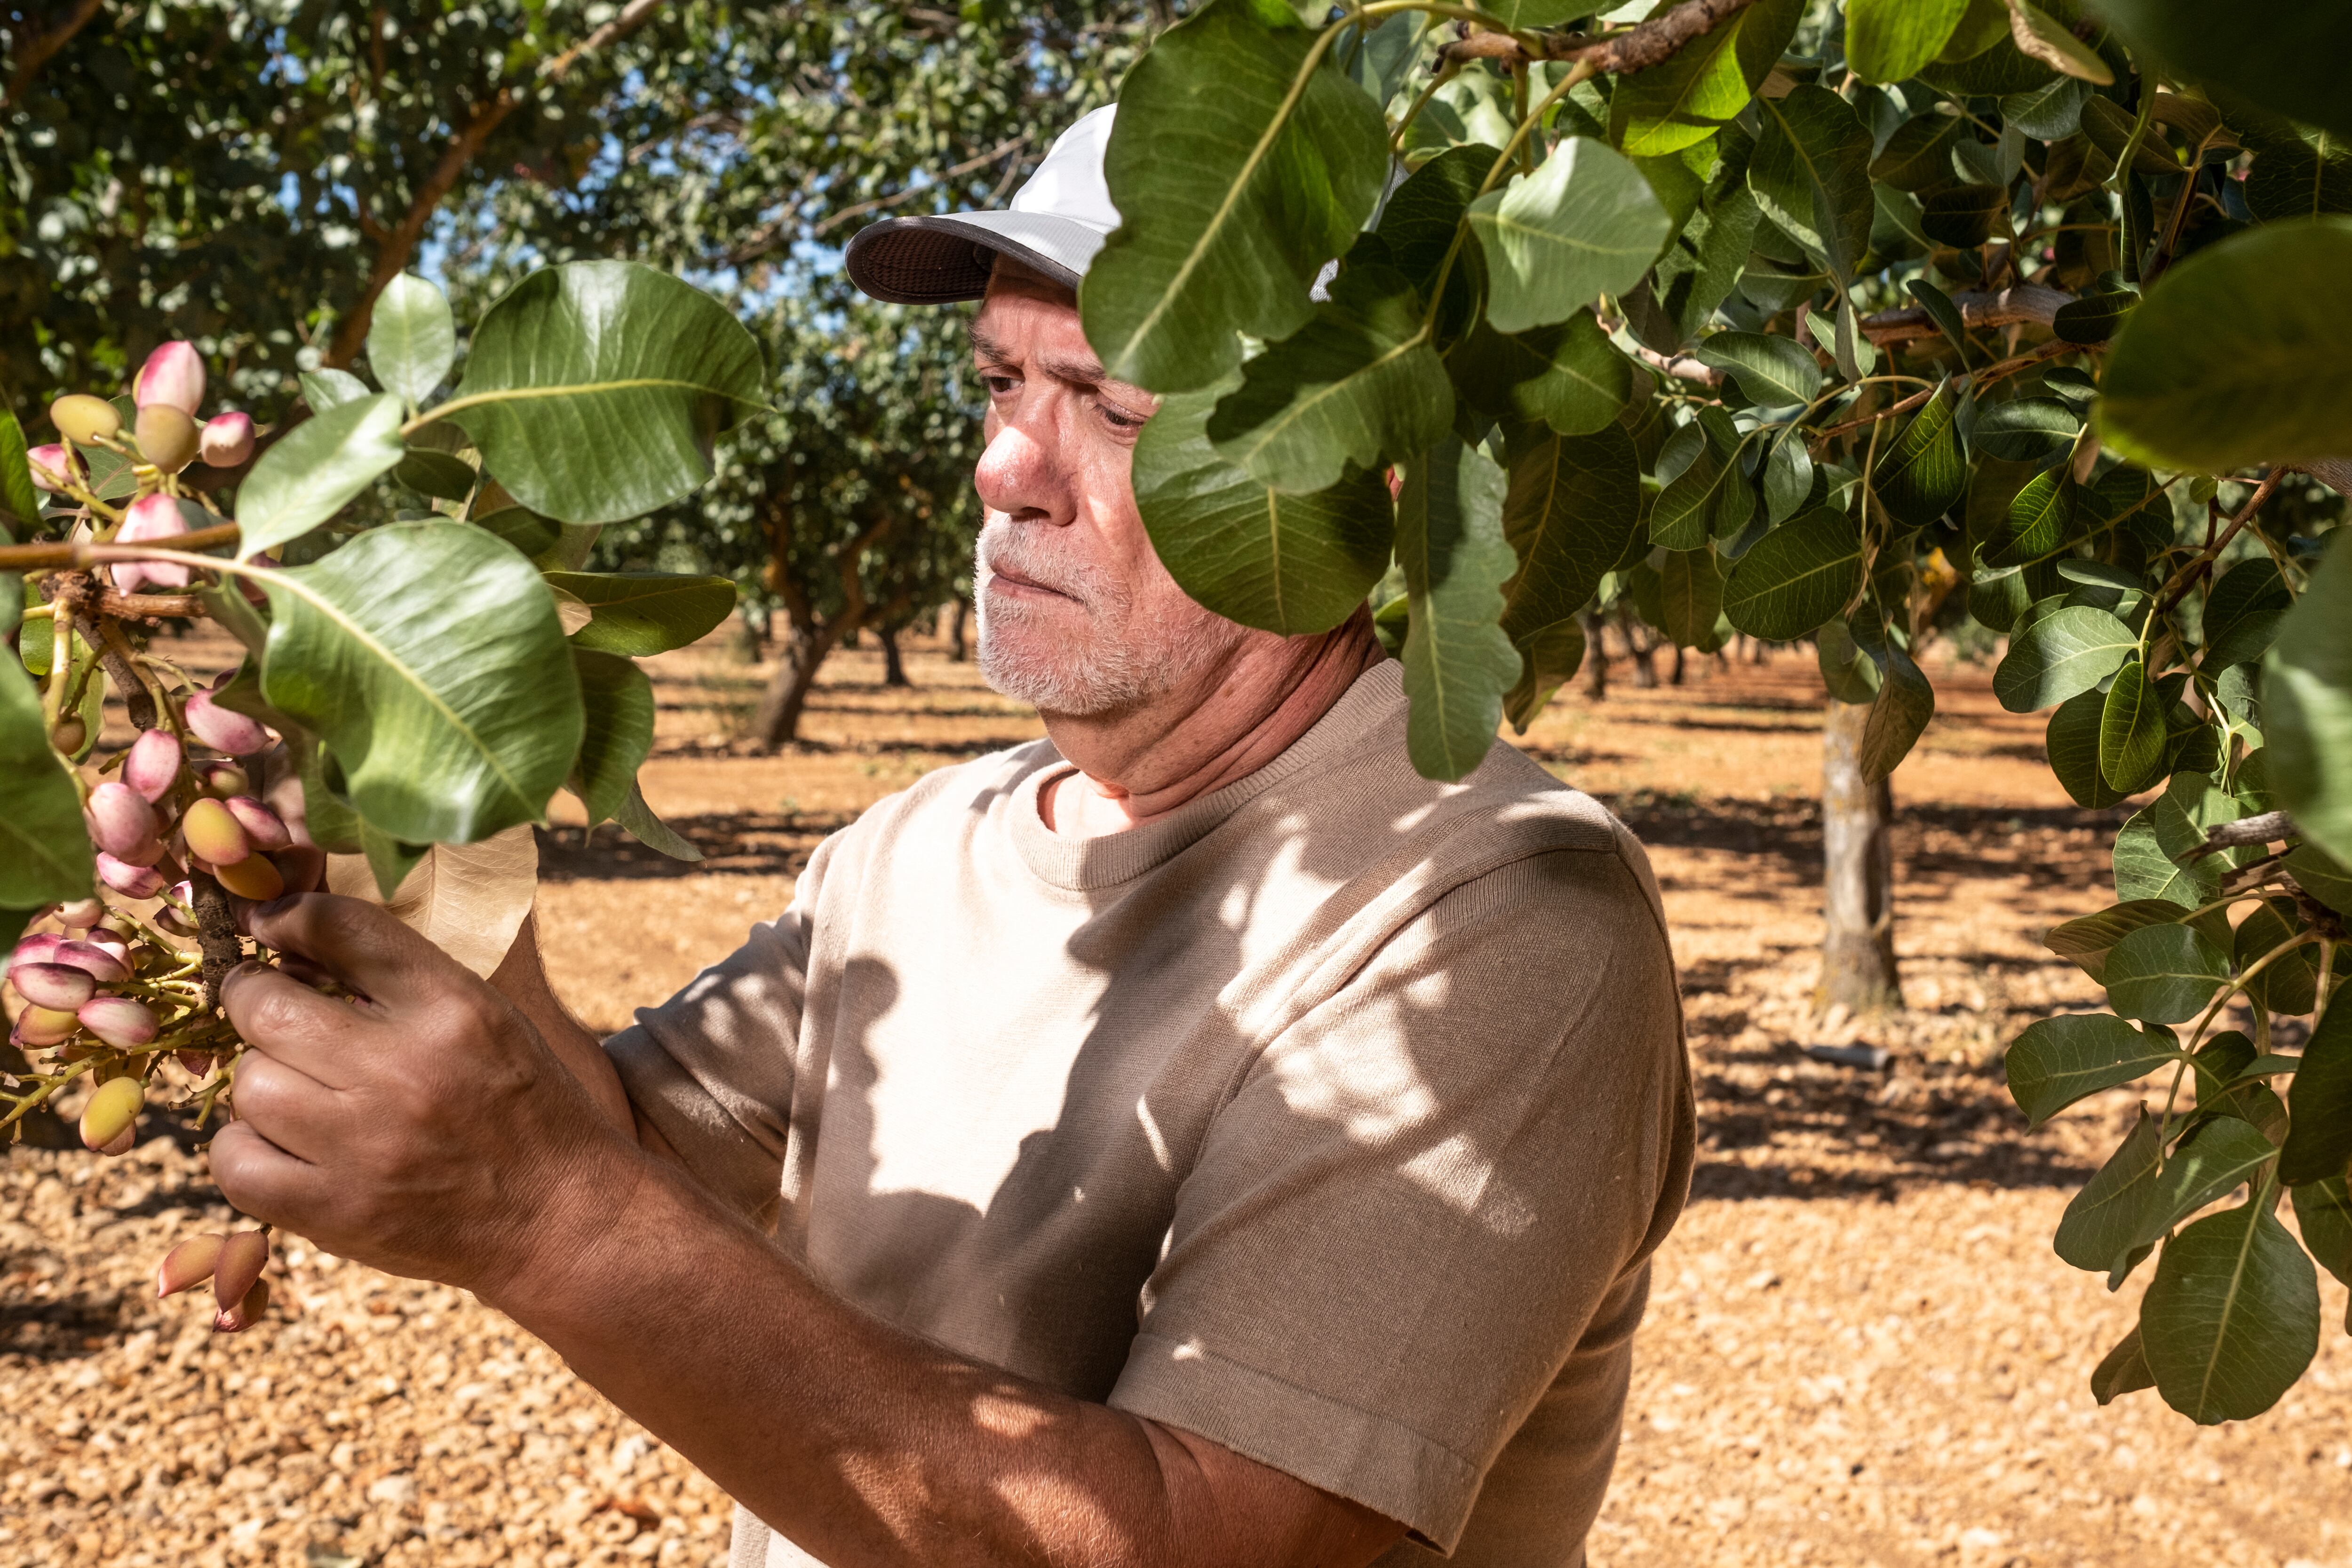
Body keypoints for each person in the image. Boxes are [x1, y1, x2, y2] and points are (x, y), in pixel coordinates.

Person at [209, 105, 1693, 1568]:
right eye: (1000, 384)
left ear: (1363, 476)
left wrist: (541, 1218)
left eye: (1114, 406)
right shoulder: (918, 848)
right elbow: (614, 1148)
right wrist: (381, 778)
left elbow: (1201, 1538)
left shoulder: (1492, 919)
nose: (1003, 470)